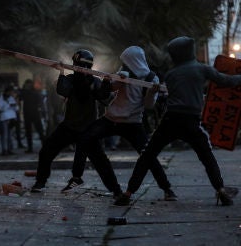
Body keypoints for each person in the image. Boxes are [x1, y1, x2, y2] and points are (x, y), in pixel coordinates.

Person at [115, 36, 241, 206]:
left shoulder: (171, 74)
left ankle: (128, 193)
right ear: (191, 51)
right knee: (207, 156)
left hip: (170, 120)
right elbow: (226, 81)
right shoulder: (202, 69)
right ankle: (221, 190)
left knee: (147, 155)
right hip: (191, 121)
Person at [62, 46, 176, 202]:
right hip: (111, 119)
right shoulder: (123, 73)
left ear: (133, 61)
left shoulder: (151, 79)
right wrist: (113, 80)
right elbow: (109, 90)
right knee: (85, 138)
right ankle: (107, 186)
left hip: (133, 123)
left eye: (126, 62)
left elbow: (149, 105)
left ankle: (167, 189)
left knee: (148, 155)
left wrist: (152, 92)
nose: (124, 65)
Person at [31, 49, 122, 197]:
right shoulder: (71, 79)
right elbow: (62, 90)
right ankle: (40, 182)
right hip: (69, 126)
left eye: (85, 66)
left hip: (88, 129)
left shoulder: (95, 81)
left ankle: (116, 190)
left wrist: (106, 84)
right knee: (46, 151)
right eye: (80, 66)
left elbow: (105, 99)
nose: (83, 69)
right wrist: (61, 72)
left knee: (101, 162)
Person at [19, 79, 45, 153]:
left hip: (35, 114)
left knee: (40, 131)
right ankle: (30, 148)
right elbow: (20, 97)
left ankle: (44, 147)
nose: (28, 86)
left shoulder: (34, 92)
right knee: (29, 132)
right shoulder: (25, 92)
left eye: (29, 84)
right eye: (27, 84)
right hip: (28, 114)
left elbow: (40, 101)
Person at [0, 86, 18, 155]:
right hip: (4, 118)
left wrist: (15, 105)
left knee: (10, 135)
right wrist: (8, 104)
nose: (11, 93)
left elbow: (16, 108)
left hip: (11, 118)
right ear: (6, 92)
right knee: (5, 135)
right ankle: (4, 150)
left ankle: (9, 149)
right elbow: (0, 108)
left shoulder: (11, 98)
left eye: (11, 92)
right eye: (9, 92)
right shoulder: (1, 98)